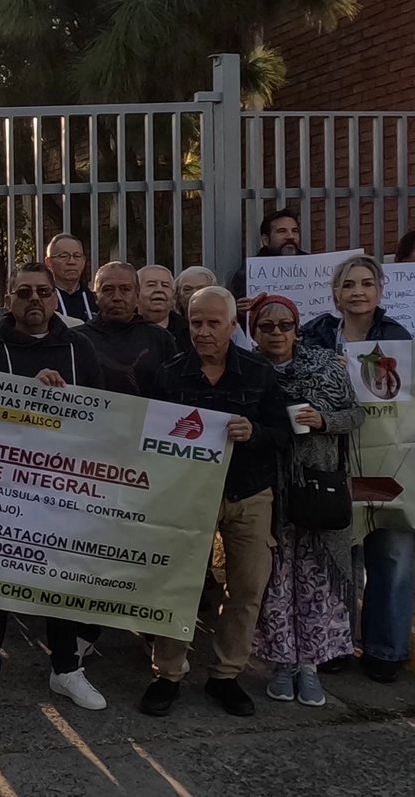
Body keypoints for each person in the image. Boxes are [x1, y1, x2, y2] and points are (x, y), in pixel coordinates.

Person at [0, 261, 107, 715]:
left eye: (43, 292)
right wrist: (26, 392)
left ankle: (65, 669)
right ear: (10, 298)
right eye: (24, 292)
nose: (35, 300)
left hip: (63, 485)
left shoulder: (81, 347)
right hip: (2, 486)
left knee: (58, 575)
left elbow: (103, 414)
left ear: (55, 297)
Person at [141, 286, 291, 718]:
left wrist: (255, 432)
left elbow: (283, 435)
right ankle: (167, 674)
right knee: (178, 585)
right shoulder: (169, 373)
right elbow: (151, 438)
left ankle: (226, 675)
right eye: (195, 323)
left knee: (247, 587)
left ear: (232, 325)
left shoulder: (259, 371)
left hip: (249, 493)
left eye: (213, 323)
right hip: (188, 497)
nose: (203, 331)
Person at [301, 254, 413, 682]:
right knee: (336, 556)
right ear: (335, 294)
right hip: (332, 459)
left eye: (367, 283)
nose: (358, 292)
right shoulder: (316, 335)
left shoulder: (399, 338)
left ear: (381, 291)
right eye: (349, 285)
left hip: (390, 463)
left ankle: (386, 650)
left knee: (392, 554)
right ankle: (335, 643)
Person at [247, 293, 363, 707]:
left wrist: (324, 419)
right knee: (276, 581)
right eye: (266, 326)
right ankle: (281, 664)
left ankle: (310, 666)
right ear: (253, 332)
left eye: (285, 325)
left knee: (316, 582)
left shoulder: (328, 366)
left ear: (297, 328)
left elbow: (356, 414)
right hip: (269, 490)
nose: (277, 333)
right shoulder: (248, 371)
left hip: (317, 488)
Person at [77, 262, 177, 396]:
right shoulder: (76, 339)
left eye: (125, 289)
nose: (117, 297)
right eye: (108, 290)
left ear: (137, 294)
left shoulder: (160, 339)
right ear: (96, 296)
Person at [229, 208, 308, 316]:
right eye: (282, 231)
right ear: (266, 240)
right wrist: (239, 311)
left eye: (295, 231)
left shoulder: (312, 265)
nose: (290, 236)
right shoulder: (248, 273)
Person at [175, 266, 252, 351]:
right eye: (187, 289)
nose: (194, 294)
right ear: (178, 294)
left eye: (201, 289)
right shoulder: (170, 325)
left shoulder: (231, 326)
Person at [45, 234, 97, 320]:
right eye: (64, 256)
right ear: (49, 262)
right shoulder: (44, 299)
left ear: (83, 261)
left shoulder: (95, 299)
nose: (71, 262)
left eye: (77, 256)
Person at [137, 264, 189, 349]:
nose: (159, 289)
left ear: (173, 294)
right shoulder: (124, 328)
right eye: (151, 285)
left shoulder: (187, 331)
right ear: (137, 292)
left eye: (165, 285)